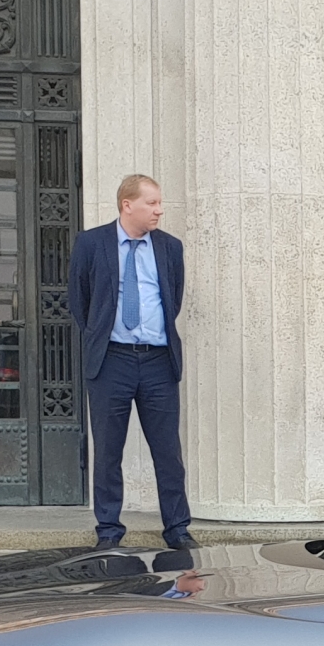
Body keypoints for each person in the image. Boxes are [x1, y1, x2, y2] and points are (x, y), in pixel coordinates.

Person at [69, 174, 192, 551]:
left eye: (159, 202)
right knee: (108, 450)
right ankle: (108, 531)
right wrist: (99, 338)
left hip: (157, 361)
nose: (159, 210)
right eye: (152, 203)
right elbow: (80, 300)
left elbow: (174, 297)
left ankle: (177, 530)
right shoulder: (91, 243)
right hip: (112, 361)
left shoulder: (170, 247)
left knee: (167, 451)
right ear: (128, 205)